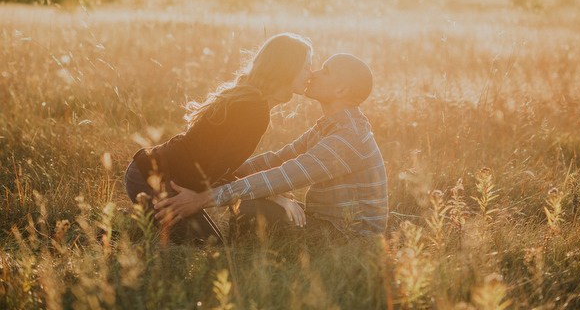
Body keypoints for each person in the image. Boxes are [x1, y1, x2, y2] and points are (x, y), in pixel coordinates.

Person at [154, 53, 388, 239]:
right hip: (327, 220)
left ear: (341, 90)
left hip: (348, 235)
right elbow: (276, 159)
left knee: (249, 209)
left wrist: (202, 198)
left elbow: (284, 175)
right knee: (251, 198)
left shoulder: (348, 138)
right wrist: (213, 176)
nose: (314, 73)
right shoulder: (330, 126)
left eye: (324, 71)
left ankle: (241, 258)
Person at [124, 33, 313, 243]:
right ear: (288, 68)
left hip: (159, 176)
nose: (310, 74)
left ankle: (141, 224)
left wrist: (268, 192)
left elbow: (221, 170)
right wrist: (271, 195)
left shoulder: (251, 100)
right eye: (306, 67)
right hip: (153, 179)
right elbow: (218, 173)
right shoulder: (255, 109)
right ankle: (125, 231)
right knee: (208, 247)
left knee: (208, 243)